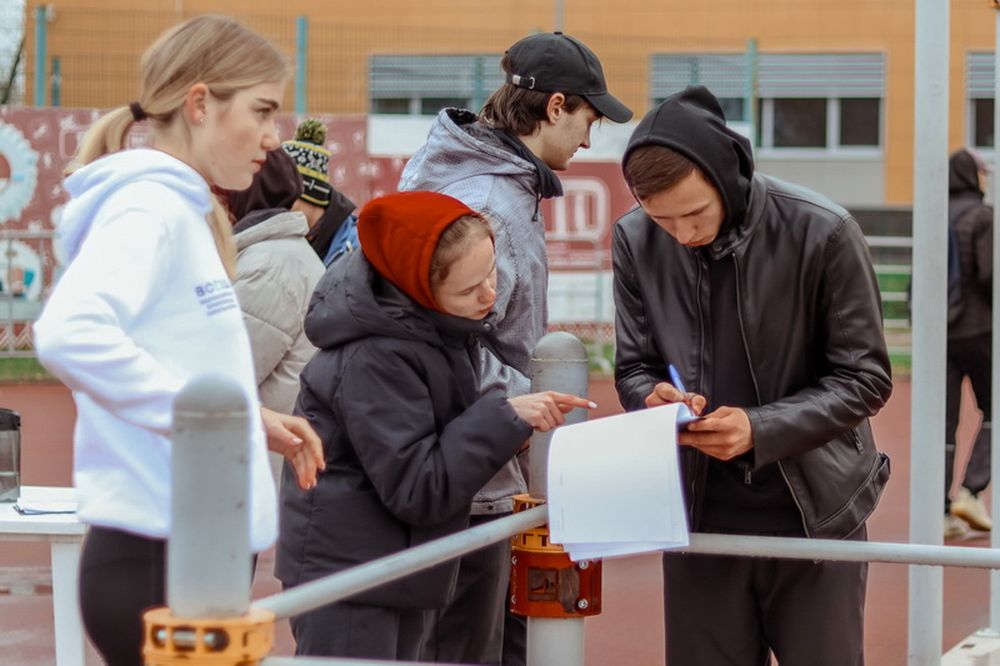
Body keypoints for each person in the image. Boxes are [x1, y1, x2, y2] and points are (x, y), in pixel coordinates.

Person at [32, 16, 324, 666]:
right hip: (156, 562)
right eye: (262, 110)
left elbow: (180, 357)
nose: (274, 136)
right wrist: (203, 424)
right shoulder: (149, 209)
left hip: (187, 551)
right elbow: (70, 332)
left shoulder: (182, 210)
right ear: (199, 104)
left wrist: (248, 418)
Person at [613, 86, 892, 665]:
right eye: (663, 219)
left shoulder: (824, 230)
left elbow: (865, 378)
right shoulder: (635, 238)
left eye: (695, 213)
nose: (682, 233)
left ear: (726, 177)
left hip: (815, 515)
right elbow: (634, 367)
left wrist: (758, 428)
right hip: (696, 517)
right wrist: (650, 399)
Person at [274, 190, 593, 660]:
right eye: (468, 289)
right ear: (418, 289)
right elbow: (418, 486)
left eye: (492, 273)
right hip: (354, 579)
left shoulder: (427, 331)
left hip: (389, 568)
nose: (490, 295)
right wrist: (506, 417)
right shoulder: (376, 356)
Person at [398, 31, 632, 665]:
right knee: (471, 649)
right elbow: (440, 346)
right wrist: (532, 406)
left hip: (478, 464)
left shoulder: (494, 187)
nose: (590, 140)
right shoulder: (488, 204)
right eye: (589, 120)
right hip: (470, 477)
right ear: (555, 106)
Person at [944, 148, 995, 538]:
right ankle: (971, 490)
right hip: (978, 330)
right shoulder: (982, 216)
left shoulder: (936, 213)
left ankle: (940, 510)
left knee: (941, 423)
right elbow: (990, 274)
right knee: (996, 411)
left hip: (940, 333)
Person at [280, 118, 359, 265]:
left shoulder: (356, 248)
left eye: (285, 196)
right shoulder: (283, 241)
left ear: (310, 193)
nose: (278, 207)